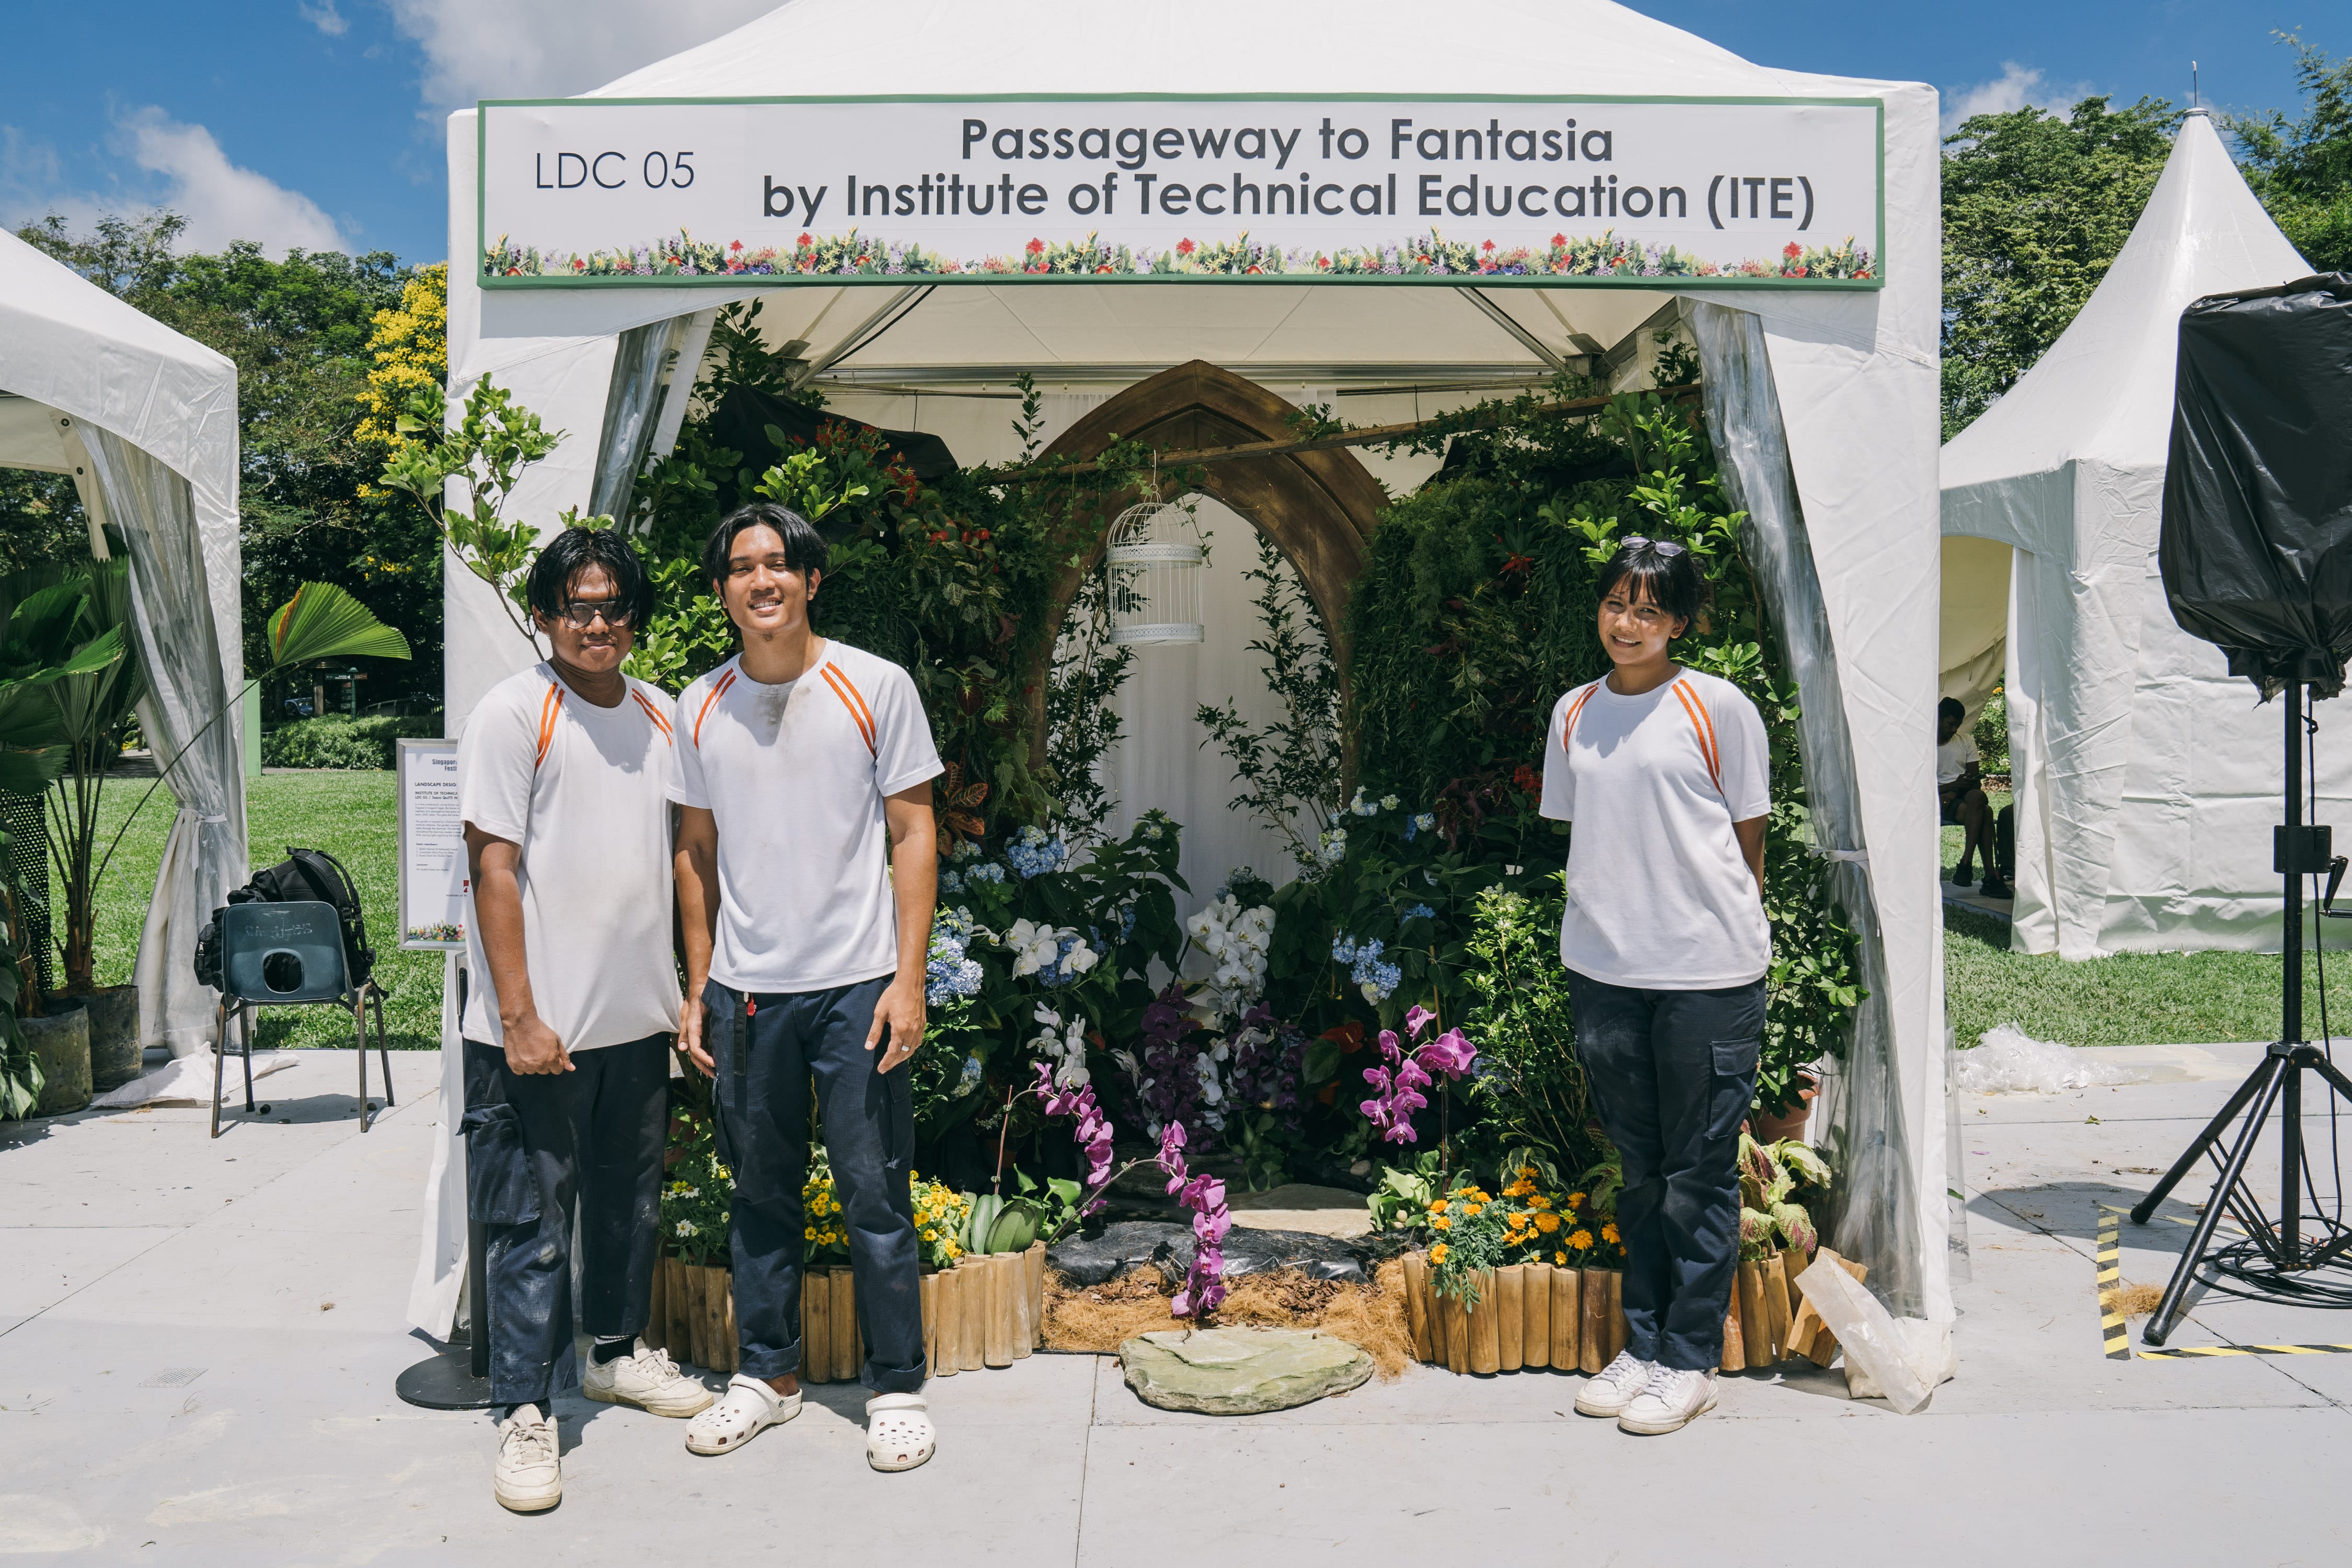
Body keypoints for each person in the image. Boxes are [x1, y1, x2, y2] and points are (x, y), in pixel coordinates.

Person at [670, 502, 943, 1471]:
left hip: (857, 986)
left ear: (811, 580)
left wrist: (909, 980)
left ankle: (899, 1385)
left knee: (875, 1191)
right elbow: (694, 852)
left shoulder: (875, 686)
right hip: (747, 993)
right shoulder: (697, 704)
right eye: (741, 567)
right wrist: (698, 984)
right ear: (722, 591)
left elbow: (914, 834)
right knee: (761, 1192)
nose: (762, 581)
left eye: (779, 563)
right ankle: (769, 1378)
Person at [457, 526, 709, 1515]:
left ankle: (611, 1353)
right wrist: (517, 1014)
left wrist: (693, 988)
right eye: (577, 607)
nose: (596, 624)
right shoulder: (517, 713)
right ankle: (525, 1409)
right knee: (528, 1223)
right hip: (539, 1035)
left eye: (612, 607)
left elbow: (689, 854)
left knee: (625, 1206)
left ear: (633, 617)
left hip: (636, 1022)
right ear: (545, 615)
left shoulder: (660, 714)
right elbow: (494, 867)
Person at [1541, 536, 1771, 1437]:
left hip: (1706, 974)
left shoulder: (1717, 707)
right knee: (1639, 1174)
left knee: (1699, 1173)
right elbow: (1589, 832)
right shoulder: (1574, 712)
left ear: (1678, 622)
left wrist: (1708, 922)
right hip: (1604, 971)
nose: (1627, 623)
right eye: (1614, 603)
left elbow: (1745, 838)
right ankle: (1641, 1346)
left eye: (1648, 609)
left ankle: (1689, 1359)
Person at [1938, 696, 2002, 894]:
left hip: (1961, 796)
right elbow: (1918, 787)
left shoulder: (1966, 741)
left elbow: (1975, 780)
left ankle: (1966, 863)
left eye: (1957, 725)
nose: (1954, 730)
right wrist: (1951, 786)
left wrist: (1955, 788)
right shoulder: (1924, 745)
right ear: (1939, 719)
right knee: (1986, 812)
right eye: (1950, 724)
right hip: (1939, 801)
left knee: (1977, 797)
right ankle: (1990, 877)